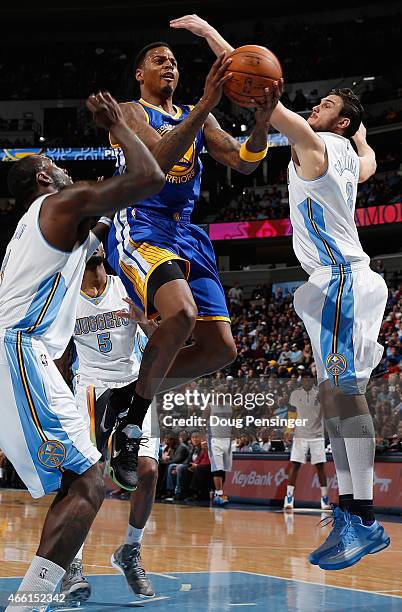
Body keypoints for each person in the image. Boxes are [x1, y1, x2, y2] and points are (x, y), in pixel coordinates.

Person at [173, 14, 390, 571]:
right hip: (343, 285)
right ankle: (352, 515)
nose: (314, 108)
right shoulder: (347, 155)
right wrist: (363, 140)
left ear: (337, 126)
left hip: (340, 280)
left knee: (342, 400)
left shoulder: (316, 146)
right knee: (335, 403)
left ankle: (364, 520)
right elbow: (368, 163)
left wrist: (212, 39)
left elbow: (259, 90)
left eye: (325, 108)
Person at [0, 92, 164, 611]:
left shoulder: (55, 223)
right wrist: (118, 126)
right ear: (43, 179)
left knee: (84, 483)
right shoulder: (57, 206)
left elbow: (142, 190)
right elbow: (148, 177)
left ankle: (33, 599)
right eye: (54, 164)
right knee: (89, 483)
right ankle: (28, 604)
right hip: (20, 353)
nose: (64, 169)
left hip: (27, 358)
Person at [106, 44, 281, 488]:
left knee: (222, 349)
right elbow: (157, 164)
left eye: (175, 61)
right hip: (141, 223)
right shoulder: (129, 111)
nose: (170, 65)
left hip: (187, 231)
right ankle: (130, 429)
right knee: (181, 314)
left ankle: (129, 394)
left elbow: (243, 162)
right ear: (139, 74)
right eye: (159, 60)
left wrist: (261, 126)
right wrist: (205, 106)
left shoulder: (197, 115)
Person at [56, 245, 159, 601]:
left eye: (97, 237)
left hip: (133, 384)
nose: (95, 243)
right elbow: (58, 356)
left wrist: (147, 322)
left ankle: (130, 550)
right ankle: (73, 565)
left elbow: (157, 335)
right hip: (89, 388)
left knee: (147, 471)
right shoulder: (66, 296)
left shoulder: (127, 286)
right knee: (87, 479)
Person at [283, 374, 331, 511]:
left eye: (308, 380)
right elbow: (292, 414)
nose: (305, 382)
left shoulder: (320, 394)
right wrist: (288, 430)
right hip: (300, 434)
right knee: (295, 466)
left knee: (320, 467)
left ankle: (324, 498)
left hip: (317, 435)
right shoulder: (295, 394)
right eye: (303, 380)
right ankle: (289, 497)